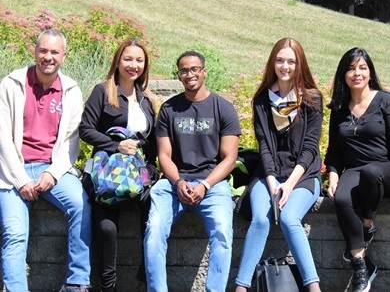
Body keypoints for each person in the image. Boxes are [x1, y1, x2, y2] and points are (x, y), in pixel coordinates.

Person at [0, 29, 92, 292]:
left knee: (81, 207)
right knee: (15, 233)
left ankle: (76, 283)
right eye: (43, 51)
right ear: (35, 51)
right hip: (11, 172)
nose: (48, 57)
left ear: (63, 55)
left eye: (54, 52)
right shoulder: (12, 84)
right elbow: (2, 137)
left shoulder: (71, 90)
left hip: (52, 169)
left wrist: (53, 173)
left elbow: (71, 141)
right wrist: (20, 179)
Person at [143, 50, 241, 292]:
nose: (190, 74)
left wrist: (205, 185)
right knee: (154, 230)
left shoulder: (223, 108)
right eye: (184, 70)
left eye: (195, 69)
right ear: (179, 75)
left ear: (204, 72)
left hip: (212, 184)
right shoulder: (169, 109)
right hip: (174, 183)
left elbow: (229, 158)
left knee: (222, 231)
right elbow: (164, 155)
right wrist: (177, 182)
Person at [235, 38, 323, 292]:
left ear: (300, 65)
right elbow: (263, 144)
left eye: (291, 61)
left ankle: (313, 287)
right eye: (280, 60)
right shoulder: (263, 100)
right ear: (273, 62)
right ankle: (241, 287)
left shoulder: (311, 99)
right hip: (269, 174)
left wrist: (290, 184)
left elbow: (310, 147)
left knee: (289, 218)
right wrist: (273, 181)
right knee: (261, 221)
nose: (285, 66)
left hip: (303, 174)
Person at [79, 38, 158, 292]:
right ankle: (108, 286)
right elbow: (85, 129)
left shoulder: (146, 99)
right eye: (128, 59)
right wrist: (115, 145)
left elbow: (153, 140)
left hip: (138, 175)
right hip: (106, 173)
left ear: (144, 66)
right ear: (118, 61)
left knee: (154, 217)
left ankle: (146, 277)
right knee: (106, 228)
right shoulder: (103, 91)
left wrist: (153, 166)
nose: (133, 65)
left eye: (139, 60)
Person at [324, 47, 389, 292]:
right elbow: (335, 150)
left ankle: (366, 223)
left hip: (385, 168)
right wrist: (332, 174)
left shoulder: (385, 101)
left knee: (372, 173)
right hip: (354, 168)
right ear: (343, 74)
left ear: (370, 72)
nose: (357, 73)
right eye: (351, 68)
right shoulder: (339, 109)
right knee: (341, 198)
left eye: (362, 67)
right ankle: (361, 264)